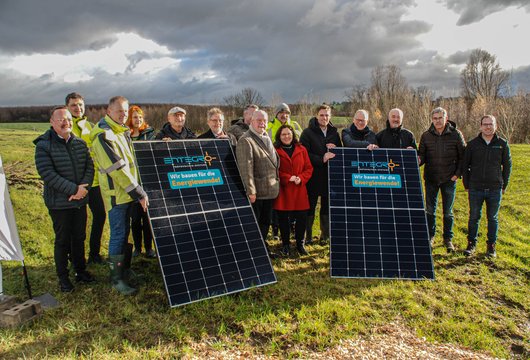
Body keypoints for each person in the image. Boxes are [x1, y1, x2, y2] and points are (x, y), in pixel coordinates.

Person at [91, 96, 149, 295]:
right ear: (108, 111)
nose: (123, 115)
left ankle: (125, 270)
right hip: (117, 195)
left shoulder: (120, 131)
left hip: (128, 193)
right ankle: (116, 279)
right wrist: (138, 192)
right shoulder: (103, 135)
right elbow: (117, 169)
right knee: (118, 234)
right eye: (119, 111)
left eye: (125, 111)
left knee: (125, 233)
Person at [34, 106, 95, 292]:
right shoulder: (44, 145)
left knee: (79, 237)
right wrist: (74, 190)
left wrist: (83, 189)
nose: (65, 122)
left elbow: (89, 167)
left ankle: (80, 271)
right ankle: (63, 278)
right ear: (52, 123)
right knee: (62, 240)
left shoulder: (79, 143)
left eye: (68, 118)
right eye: (60, 119)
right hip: (60, 203)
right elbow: (47, 174)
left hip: (79, 201)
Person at [462, 115, 512, 258]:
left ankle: (491, 247)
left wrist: (504, 185)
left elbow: (507, 166)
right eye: (485, 124)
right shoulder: (472, 144)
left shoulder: (502, 144)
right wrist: (466, 184)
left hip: (495, 188)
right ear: (480, 126)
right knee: (474, 217)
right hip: (475, 187)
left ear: (495, 126)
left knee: (493, 218)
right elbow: (465, 166)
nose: (488, 127)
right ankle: (471, 244)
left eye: (491, 124)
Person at [65, 92, 106, 264]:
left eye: (80, 104)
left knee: (100, 216)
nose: (78, 108)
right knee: (76, 224)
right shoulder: (65, 126)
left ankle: (94, 254)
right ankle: (74, 257)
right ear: (67, 107)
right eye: (74, 105)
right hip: (75, 184)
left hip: (94, 181)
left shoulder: (90, 126)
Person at [418, 107, 466, 252]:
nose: (438, 121)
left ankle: (447, 239)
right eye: (435, 118)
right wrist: (416, 160)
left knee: (448, 211)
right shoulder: (426, 136)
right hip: (431, 178)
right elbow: (422, 157)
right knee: (430, 210)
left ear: (446, 118)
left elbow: (463, 157)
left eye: (440, 118)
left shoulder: (456, 134)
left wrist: (457, 174)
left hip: (449, 179)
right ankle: (430, 236)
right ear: (432, 120)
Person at [236, 110, 280, 258]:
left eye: (264, 120)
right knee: (255, 225)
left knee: (265, 222)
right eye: (259, 120)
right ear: (251, 122)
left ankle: (261, 249)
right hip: (257, 192)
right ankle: (254, 252)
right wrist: (250, 191)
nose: (262, 123)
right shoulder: (246, 140)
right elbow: (245, 168)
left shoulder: (266, 136)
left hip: (270, 190)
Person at [300, 104, 342, 244]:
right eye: (322, 115)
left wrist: (336, 149)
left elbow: (340, 153)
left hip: (328, 176)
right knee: (310, 206)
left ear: (330, 116)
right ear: (316, 116)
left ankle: (325, 236)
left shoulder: (334, 133)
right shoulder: (307, 133)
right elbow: (303, 154)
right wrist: (321, 158)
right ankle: (308, 237)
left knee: (326, 206)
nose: (324, 118)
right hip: (312, 175)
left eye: (327, 115)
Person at [273, 124, 313, 256]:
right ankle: (285, 245)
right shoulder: (275, 150)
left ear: (293, 135)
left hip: (299, 189)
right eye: (283, 134)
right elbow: (273, 170)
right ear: (279, 136)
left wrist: (301, 178)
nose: (286, 136)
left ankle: (300, 244)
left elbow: (309, 168)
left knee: (302, 218)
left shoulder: (302, 149)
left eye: (289, 134)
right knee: (283, 219)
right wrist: (287, 178)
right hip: (284, 190)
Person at [125, 105, 156, 258]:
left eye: (140, 117)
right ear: (130, 119)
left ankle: (149, 248)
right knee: (135, 219)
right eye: (134, 117)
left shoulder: (150, 134)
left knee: (147, 217)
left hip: (147, 180)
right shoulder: (125, 136)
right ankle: (138, 248)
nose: (137, 120)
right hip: (132, 181)